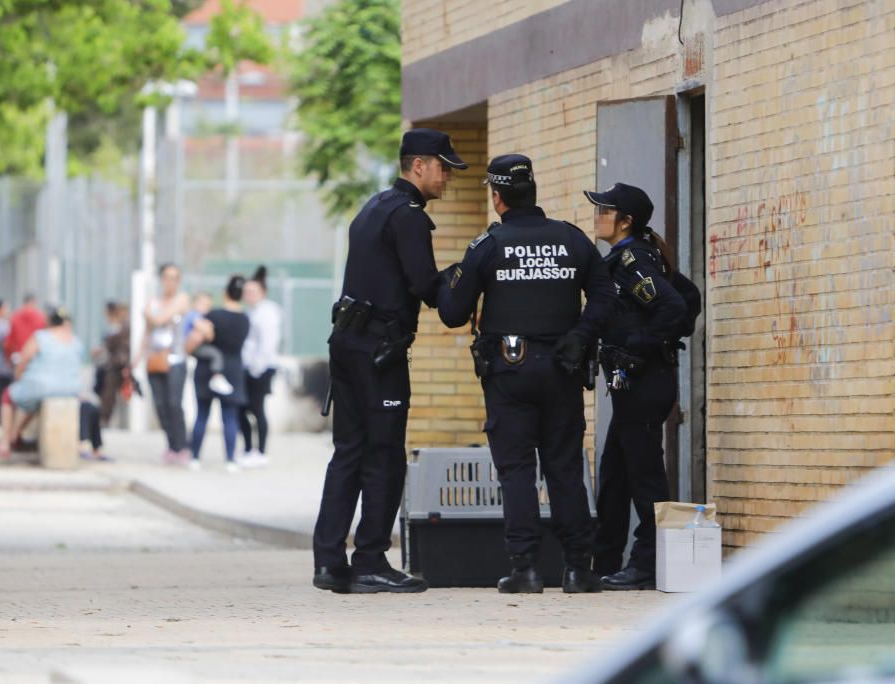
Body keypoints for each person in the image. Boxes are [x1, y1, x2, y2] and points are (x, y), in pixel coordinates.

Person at [436, 154, 616, 594]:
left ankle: (526, 568)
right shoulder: (572, 240)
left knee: (516, 468)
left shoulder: (488, 246)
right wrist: (581, 333)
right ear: (533, 192)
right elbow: (605, 296)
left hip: (508, 371)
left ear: (497, 198)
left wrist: (452, 277)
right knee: (565, 466)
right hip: (563, 369)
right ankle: (577, 569)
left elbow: (453, 313)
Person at [312, 128, 468, 595]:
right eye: (443, 167)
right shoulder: (409, 217)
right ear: (418, 166)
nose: (448, 178)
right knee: (384, 456)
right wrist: (464, 277)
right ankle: (371, 561)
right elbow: (422, 284)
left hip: (347, 343)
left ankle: (328, 562)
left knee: (348, 452)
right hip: (379, 352)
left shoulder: (374, 207)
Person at [583, 183, 700, 590]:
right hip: (632, 386)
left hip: (645, 383)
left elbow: (674, 305)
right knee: (615, 474)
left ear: (625, 221)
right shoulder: (627, 258)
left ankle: (647, 563)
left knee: (645, 477)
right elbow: (688, 295)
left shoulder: (633, 261)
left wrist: (640, 346)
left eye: (605, 210)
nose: (597, 216)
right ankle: (606, 560)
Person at [185, 275, 251, 472]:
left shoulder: (212, 315)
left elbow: (193, 341)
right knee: (229, 417)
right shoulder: (245, 320)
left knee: (202, 415)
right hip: (232, 370)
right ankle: (230, 460)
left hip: (206, 368)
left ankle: (195, 458)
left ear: (225, 293)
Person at [0, 307, 83, 459]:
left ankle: (5, 442)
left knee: (8, 395)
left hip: (42, 386)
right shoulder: (76, 340)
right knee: (36, 402)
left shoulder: (41, 336)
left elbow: (23, 360)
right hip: (71, 389)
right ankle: (16, 434)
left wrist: (19, 377)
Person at [138, 264, 190, 464]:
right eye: (166, 277)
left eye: (174, 278)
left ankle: (182, 446)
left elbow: (159, 319)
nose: (170, 282)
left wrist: (148, 315)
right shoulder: (154, 302)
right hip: (154, 360)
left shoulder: (181, 299)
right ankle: (171, 446)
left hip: (175, 360)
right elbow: (147, 332)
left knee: (174, 403)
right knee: (160, 406)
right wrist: (136, 360)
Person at [238, 266, 282, 469]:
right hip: (248, 367)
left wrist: (257, 368)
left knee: (257, 409)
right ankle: (248, 449)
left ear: (262, 292)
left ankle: (261, 451)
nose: (249, 295)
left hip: (261, 368)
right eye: (246, 292)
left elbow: (267, 344)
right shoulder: (251, 312)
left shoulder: (268, 313)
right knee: (242, 410)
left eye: (252, 291)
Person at [184, 292, 234, 396]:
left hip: (195, 346)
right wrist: (207, 327)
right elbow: (206, 332)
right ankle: (217, 376)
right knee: (215, 354)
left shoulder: (202, 317)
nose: (205, 308)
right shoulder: (193, 315)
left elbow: (209, 336)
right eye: (203, 304)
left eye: (208, 306)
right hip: (191, 346)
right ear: (194, 303)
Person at [93, 301, 131, 426]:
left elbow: (113, 341)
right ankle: (104, 418)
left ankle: (104, 419)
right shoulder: (115, 326)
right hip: (109, 364)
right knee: (104, 391)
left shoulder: (122, 326)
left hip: (117, 364)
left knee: (109, 393)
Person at [3, 294, 48, 369]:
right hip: (36, 359)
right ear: (34, 302)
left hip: (20, 359)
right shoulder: (41, 317)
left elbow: (9, 343)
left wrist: (8, 359)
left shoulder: (15, 316)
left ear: (24, 303)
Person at [0, 299, 12, 423]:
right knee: (3, 396)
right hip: (2, 367)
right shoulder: (3, 325)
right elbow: (6, 345)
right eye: (6, 308)